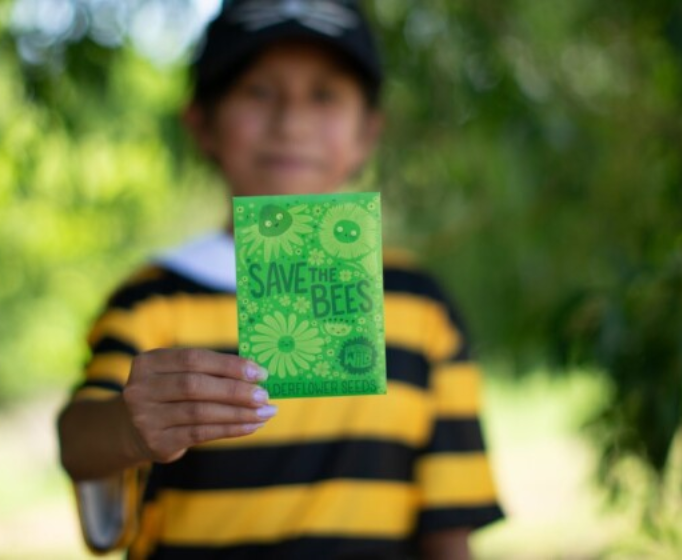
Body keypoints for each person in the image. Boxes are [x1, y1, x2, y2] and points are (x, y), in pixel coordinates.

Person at [57, 1, 504, 558]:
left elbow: (450, 525)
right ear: (202, 124)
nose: (292, 122)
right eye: (258, 91)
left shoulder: (422, 308)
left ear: (369, 132)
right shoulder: (150, 305)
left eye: (324, 94)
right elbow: (77, 442)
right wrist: (130, 426)